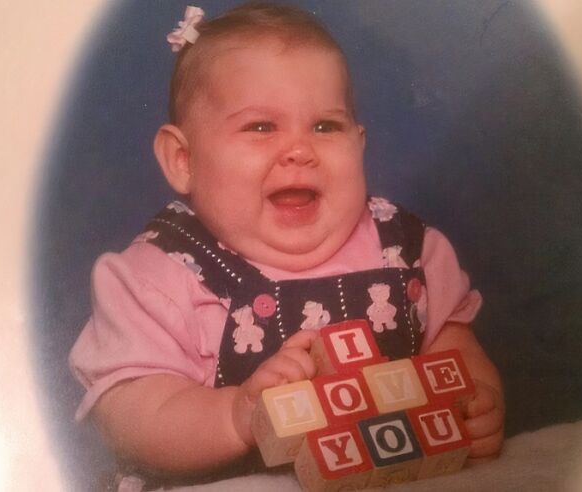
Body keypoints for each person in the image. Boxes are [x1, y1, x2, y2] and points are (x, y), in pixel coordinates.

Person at [69, 2, 504, 486]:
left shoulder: (407, 251)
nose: (300, 150)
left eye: (325, 126)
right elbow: (131, 415)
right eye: (260, 127)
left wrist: (477, 401)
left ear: (360, 144)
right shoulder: (159, 276)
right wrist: (234, 416)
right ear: (183, 160)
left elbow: (451, 343)